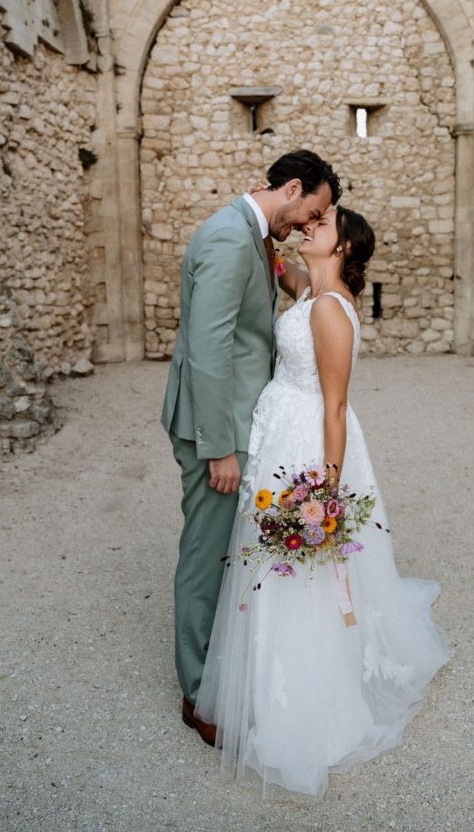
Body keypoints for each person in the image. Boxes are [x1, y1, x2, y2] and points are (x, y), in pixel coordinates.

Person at [195, 205, 450, 797]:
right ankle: (265, 681)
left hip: (309, 445)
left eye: (323, 225)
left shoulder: (332, 311)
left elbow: (335, 406)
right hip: (278, 431)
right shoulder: (312, 290)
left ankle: (311, 701)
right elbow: (287, 277)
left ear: (343, 249)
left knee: (303, 567)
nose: (311, 225)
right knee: (271, 562)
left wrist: (326, 496)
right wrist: (265, 236)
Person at [160, 150, 341, 746]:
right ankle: (198, 694)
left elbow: (263, 313)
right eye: (309, 211)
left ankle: (224, 672)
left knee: (229, 550)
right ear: (291, 188)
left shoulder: (254, 236)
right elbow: (208, 350)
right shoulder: (229, 239)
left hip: (244, 421)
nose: (306, 225)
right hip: (219, 430)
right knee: (206, 552)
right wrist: (219, 450)